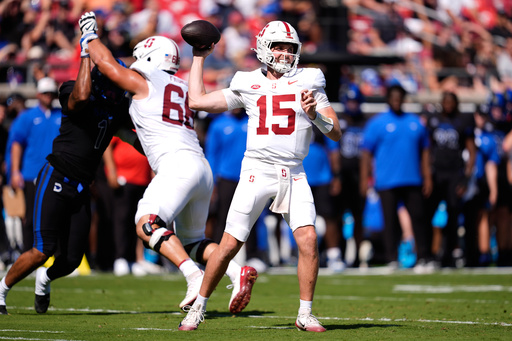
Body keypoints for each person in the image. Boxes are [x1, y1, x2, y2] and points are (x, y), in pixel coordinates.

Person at [81, 12, 253, 311]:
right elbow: (147, 137)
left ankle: (192, 275)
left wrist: (89, 35)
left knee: (146, 223)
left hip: (177, 165)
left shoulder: (145, 80)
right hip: (200, 167)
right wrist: (123, 130)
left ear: (148, 57)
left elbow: (106, 64)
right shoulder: (183, 88)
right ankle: (237, 271)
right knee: (192, 242)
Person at [179, 20, 341, 332]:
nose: (284, 53)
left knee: (308, 239)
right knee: (228, 245)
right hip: (257, 169)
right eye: (279, 46)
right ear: (265, 48)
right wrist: (199, 56)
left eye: (290, 48)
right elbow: (197, 101)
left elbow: (335, 132)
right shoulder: (246, 81)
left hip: (294, 171)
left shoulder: (310, 79)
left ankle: (305, 313)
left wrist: (314, 115)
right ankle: (198, 306)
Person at [0, 45, 131, 315]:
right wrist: (86, 53)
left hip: (82, 186)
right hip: (57, 175)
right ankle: (1, 290)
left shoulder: (115, 109)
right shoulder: (73, 90)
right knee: (42, 250)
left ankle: (44, 279)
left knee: (71, 260)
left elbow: (134, 138)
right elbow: (81, 95)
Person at [360, 84, 434, 274]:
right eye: (393, 97)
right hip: (386, 180)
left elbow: (425, 151)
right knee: (390, 221)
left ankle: (424, 256)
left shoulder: (415, 122)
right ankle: (391, 258)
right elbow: (366, 153)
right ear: (388, 99)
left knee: (419, 218)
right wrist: (365, 178)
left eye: (399, 97)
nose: (396, 100)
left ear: (403, 99)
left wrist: (427, 177)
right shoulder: (377, 123)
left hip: (412, 179)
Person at [8, 77, 62, 252]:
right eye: (46, 93)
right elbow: (16, 144)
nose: (49, 96)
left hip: (54, 173)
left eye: (51, 93)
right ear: (38, 94)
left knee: (54, 216)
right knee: (30, 217)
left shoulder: (60, 116)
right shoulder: (27, 117)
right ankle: (28, 255)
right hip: (31, 173)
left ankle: (52, 255)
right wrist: (15, 171)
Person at [424, 91, 476, 267]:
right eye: (445, 101)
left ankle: (448, 254)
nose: (448, 105)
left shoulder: (463, 121)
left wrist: (466, 179)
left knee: (453, 214)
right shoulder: (433, 120)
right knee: (428, 213)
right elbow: (427, 149)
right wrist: (427, 176)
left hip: (455, 173)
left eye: (451, 102)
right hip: (436, 173)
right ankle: (428, 254)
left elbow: (471, 150)